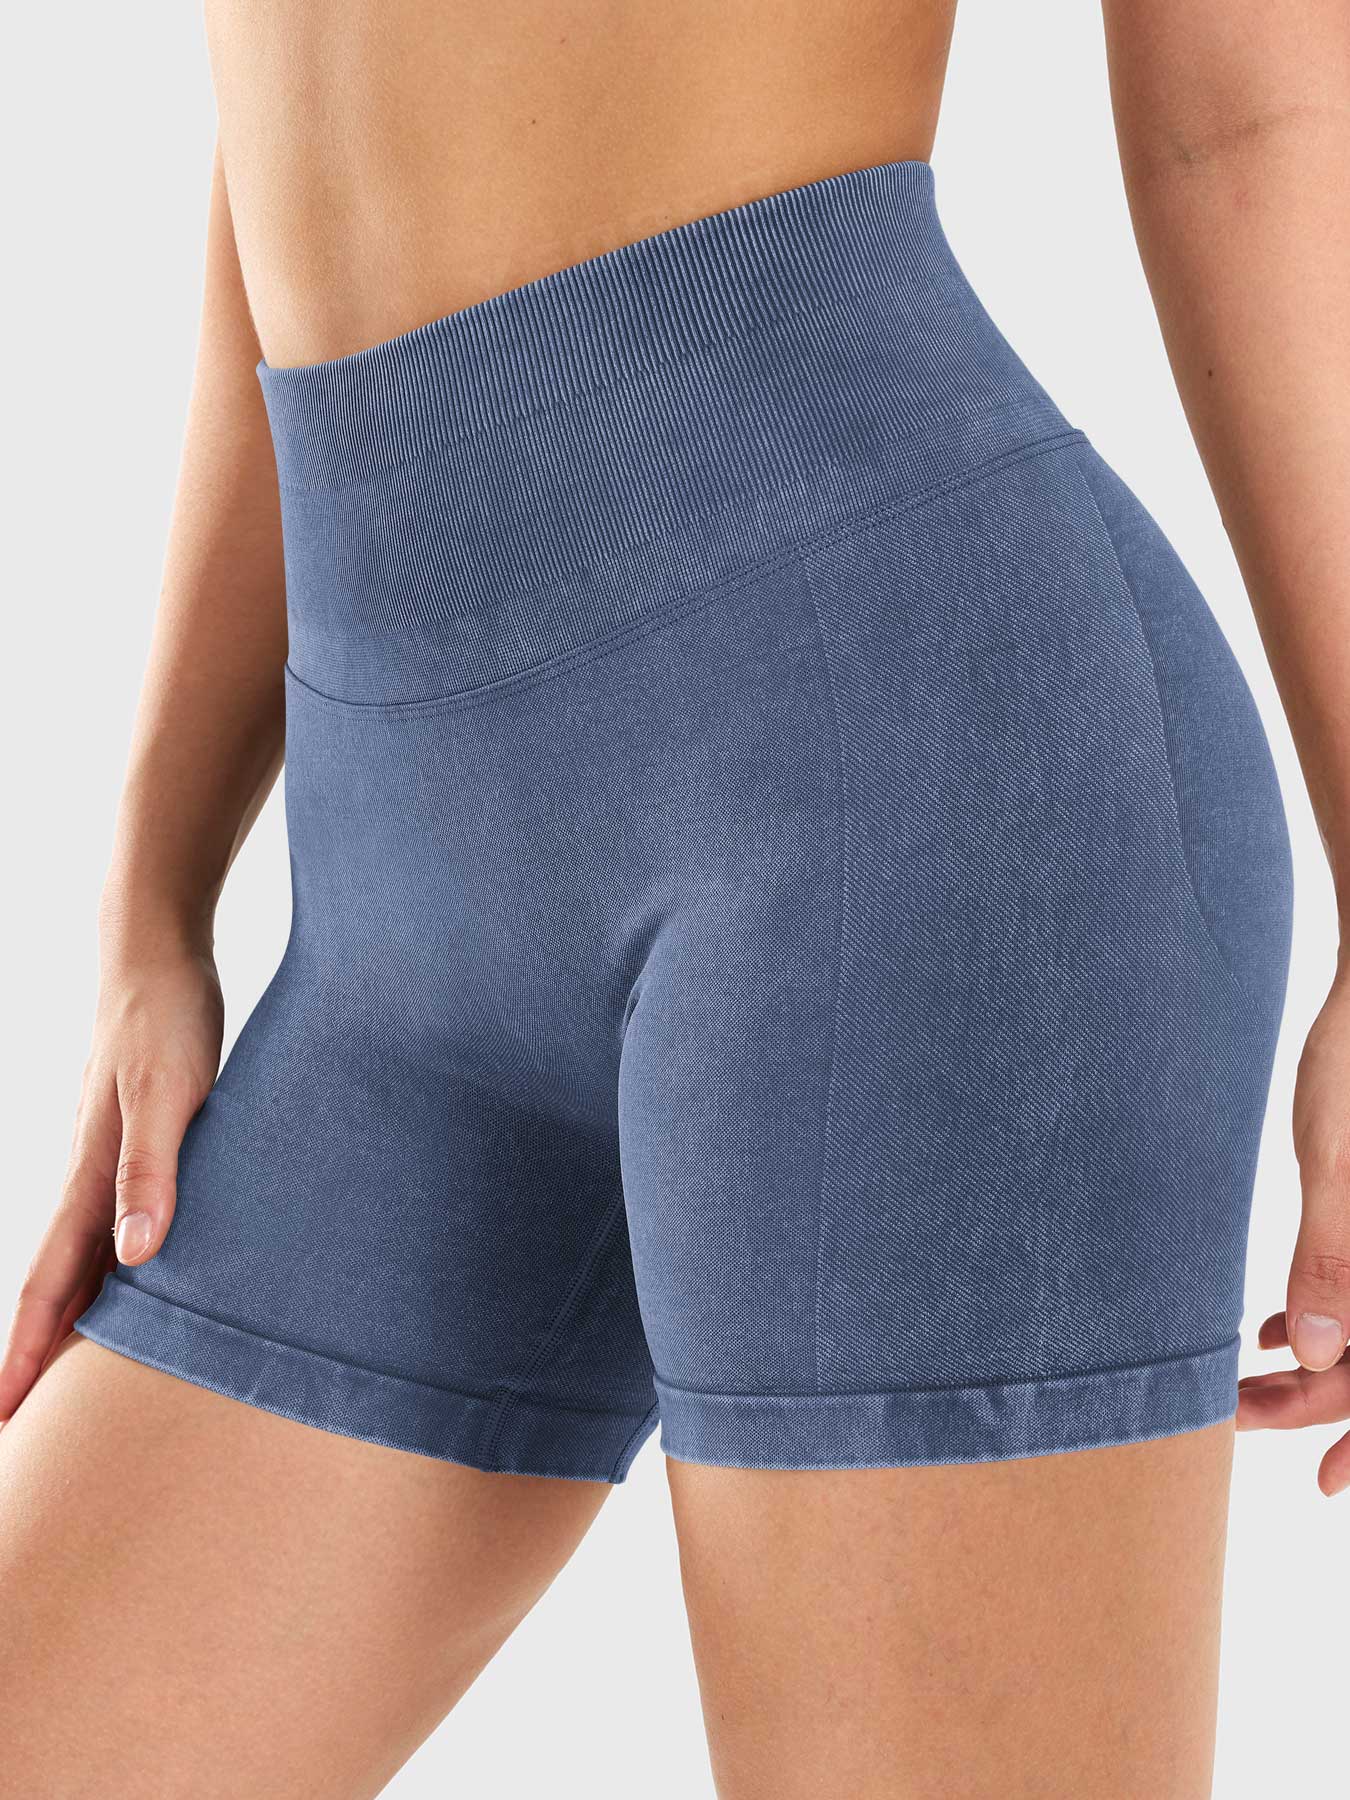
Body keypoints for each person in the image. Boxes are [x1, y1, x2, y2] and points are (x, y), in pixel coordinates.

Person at [2, 2, 1346, 1794]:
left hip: (899, 805)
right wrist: (150, 898)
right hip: (395, 911)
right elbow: (290, 134)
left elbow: (1244, 120)